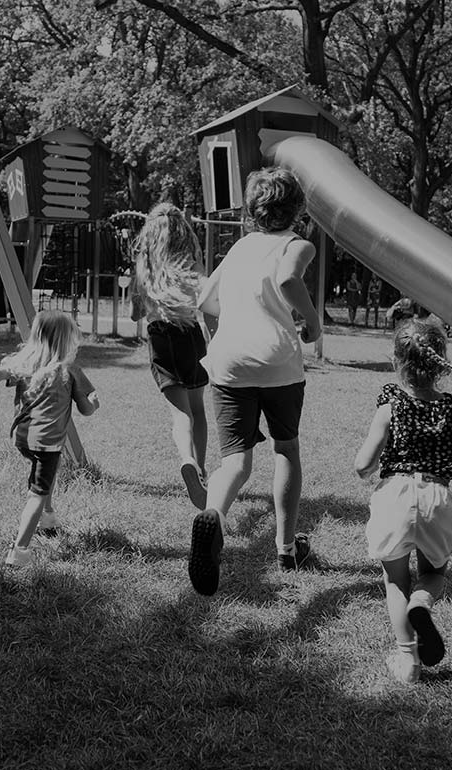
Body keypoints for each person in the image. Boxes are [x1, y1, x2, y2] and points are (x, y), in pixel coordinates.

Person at [189, 167, 322, 596]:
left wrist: (219, 338)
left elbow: (206, 303)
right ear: (298, 209)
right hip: (277, 362)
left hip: (229, 362)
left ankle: (213, 516)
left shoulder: (240, 248)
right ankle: (286, 549)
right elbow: (288, 278)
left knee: (235, 462)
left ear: (251, 211)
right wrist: (313, 322)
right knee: (286, 449)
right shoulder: (298, 244)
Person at [353, 317, 452, 683]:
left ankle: (408, 660)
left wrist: (385, 456)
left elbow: (362, 466)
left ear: (397, 362)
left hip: (395, 497)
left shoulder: (391, 407)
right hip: (437, 497)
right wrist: (443, 455)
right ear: (440, 364)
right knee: (432, 574)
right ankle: (423, 603)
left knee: (395, 581)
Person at [0, 310, 100, 567]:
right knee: (36, 494)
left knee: (49, 469)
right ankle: (19, 551)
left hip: (23, 439)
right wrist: (94, 401)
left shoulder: (27, 364)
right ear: (67, 341)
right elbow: (85, 410)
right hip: (47, 442)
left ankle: (48, 518)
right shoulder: (69, 371)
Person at [130, 202, 211, 508]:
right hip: (191, 334)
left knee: (180, 414)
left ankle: (187, 459)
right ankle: (200, 470)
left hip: (160, 337)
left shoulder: (143, 268)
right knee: (199, 410)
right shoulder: (192, 265)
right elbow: (206, 299)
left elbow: (135, 313)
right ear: (182, 234)